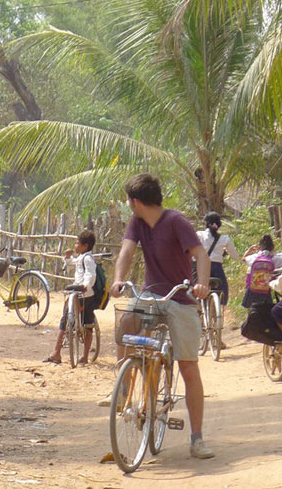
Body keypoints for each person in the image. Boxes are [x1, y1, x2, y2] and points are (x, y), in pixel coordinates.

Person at [106, 173, 215, 459]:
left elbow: (201, 255)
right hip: (151, 295)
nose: (128, 204)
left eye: (129, 200)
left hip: (180, 298)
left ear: (136, 201)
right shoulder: (137, 223)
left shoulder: (176, 221)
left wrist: (201, 283)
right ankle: (127, 383)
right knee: (126, 322)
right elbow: (127, 252)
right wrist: (118, 279)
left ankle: (197, 438)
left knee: (189, 367)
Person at [43, 231, 97, 365]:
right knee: (66, 319)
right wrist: (67, 258)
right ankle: (56, 353)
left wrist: (86, 285)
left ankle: (84, 356)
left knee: (88, 324)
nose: (75, 245)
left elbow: (90, 274)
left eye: (77, 243)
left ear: (85, 246)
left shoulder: (88, 259)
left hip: (85, 294)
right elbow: (74, 263)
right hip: (76, 293)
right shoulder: (81, 257)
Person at [196, 212, 238, 349]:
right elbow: (236, 256)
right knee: (220, 297)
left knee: (194, 293)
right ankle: (217, 337)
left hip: (201, 268)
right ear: (218, 225)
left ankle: (199, 317)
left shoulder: (199, 235)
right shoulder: (224, 238)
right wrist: (222, 251)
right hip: (217, 270)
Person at [241, 235, 282, 308]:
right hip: (266, 290)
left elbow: (243, 259)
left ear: (260, 246)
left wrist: (250, 250)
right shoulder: (276, 258)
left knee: (251, 310)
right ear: (272, 246)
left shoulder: (255, 257)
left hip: (253, 290)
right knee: (266, 310)